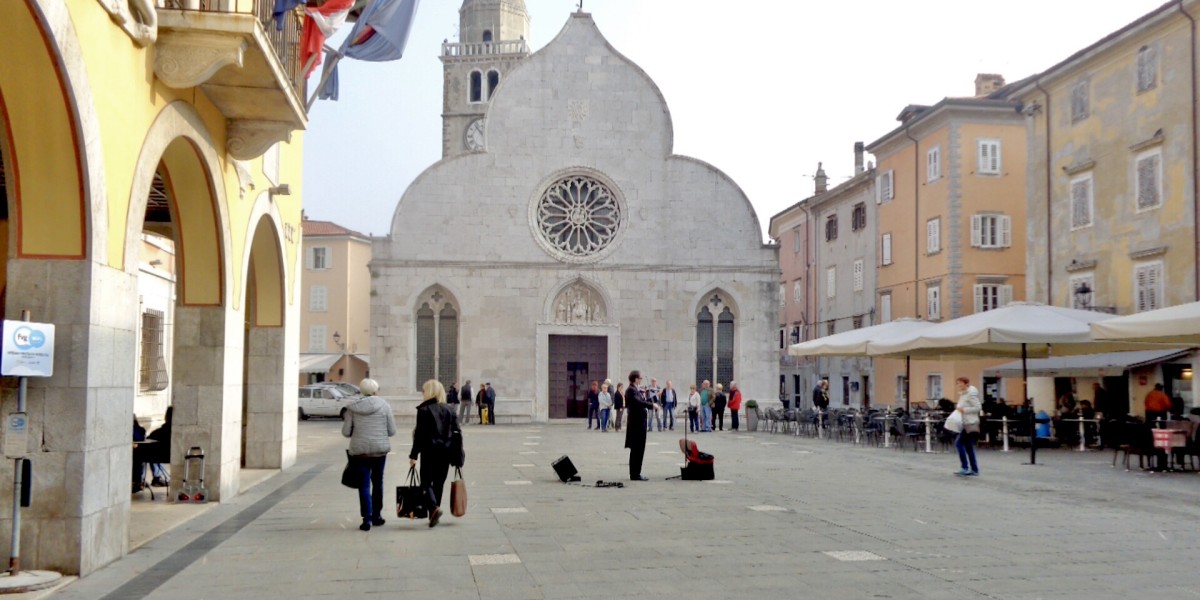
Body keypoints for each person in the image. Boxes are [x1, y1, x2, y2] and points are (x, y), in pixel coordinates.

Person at [342, 378, 397, 531]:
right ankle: (377, 516)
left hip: (360, 453)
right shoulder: (385, 405)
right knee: (378, 482)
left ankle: (367, 519)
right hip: (379, 451)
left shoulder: (352, 408)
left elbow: (346, 432)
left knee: (364, 485)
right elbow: (392, 431)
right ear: (375, 391)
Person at [409, 379, 462, 528]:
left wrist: (413, 456)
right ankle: (434, 511)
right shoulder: (450, 410)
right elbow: (457, 433)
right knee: (439, 483)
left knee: (425, 483)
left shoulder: (424, 410)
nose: (422, 393)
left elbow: (419, 436)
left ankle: (433, 509)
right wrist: (458, 455)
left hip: (429, 452)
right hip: (445, 452)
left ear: (429, 392)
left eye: (424, 390)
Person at [623, 370, 655, 481]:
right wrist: (652, 405)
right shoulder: (631, 390)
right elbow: (638, 403)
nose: (641, 380)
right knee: (637, 449)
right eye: (640, 378)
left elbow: (642, 400)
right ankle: (635, 474)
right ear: (636, 379)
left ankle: (636, 473)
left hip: (639, 424)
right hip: (636, 425)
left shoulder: (635, 390)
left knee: (639, 449)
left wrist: (646, 394)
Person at [953, 376, 982, 477]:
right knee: (968, 446)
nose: (959, 385)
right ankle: (974, 469)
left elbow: (978, 407)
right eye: (958, 383)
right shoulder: (963, 394)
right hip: (965, 422)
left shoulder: (970, 394)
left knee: (959, 443)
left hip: (970, 422)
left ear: (966, 384)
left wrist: (964, 410)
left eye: (960, 383)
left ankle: (965, 467)